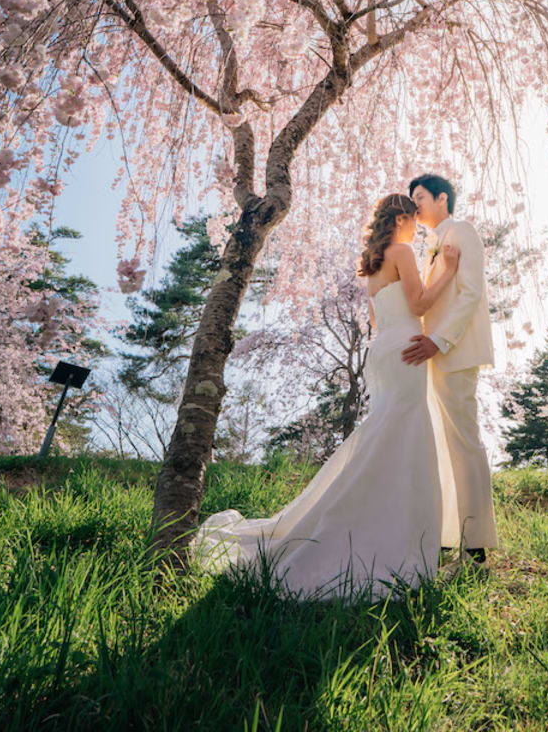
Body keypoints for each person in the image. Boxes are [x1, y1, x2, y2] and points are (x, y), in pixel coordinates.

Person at [191, 193, 460, 600]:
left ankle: (367, 513)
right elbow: (419, 303)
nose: (416, 228)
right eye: (413, 220)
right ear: (402, 218)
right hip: (406, 347)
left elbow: (377, 320)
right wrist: (448, 271)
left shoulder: (372, 267)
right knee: (406, 434)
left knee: (388, 434)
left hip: (383, 350)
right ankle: (396, 534)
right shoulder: (402, 251)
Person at [401, 174, 498, 565]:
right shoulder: (429, 246)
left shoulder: (462, 231)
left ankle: (475, 544)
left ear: (443, 198)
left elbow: (471, 292)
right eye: (412, 198)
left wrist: (439, 341)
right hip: (432, 355)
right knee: (440, 445)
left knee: (464, 441)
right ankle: (445, 536)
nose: (415, 204)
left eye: (420, 196)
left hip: (454, 350)